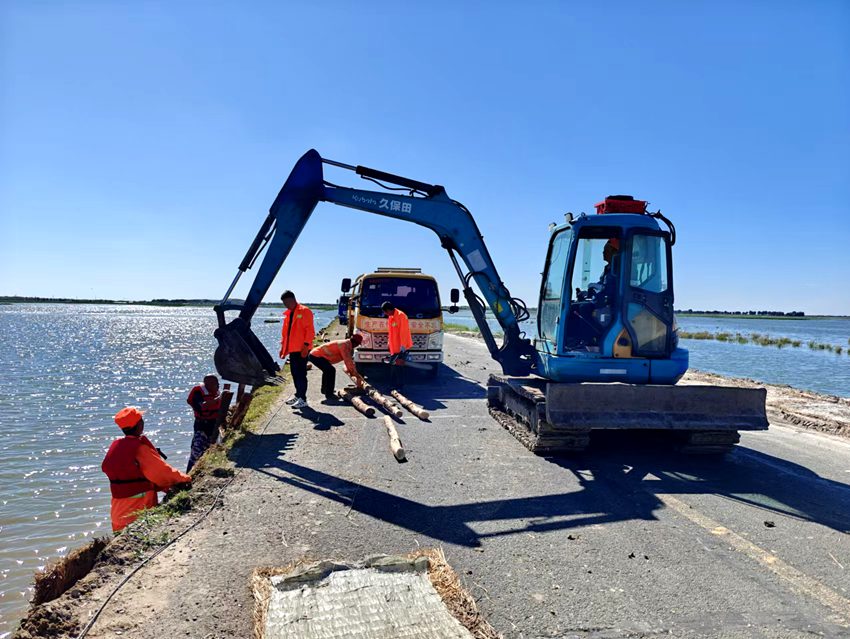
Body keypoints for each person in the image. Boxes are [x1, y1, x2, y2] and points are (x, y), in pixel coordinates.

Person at [101, 406, 191, 532]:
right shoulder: (140, 449)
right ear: (139, 425)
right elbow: (162, 473)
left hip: (117, 514)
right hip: (137, 512)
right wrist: (185, 478)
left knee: (122, 542)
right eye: (141, 420)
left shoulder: (116, 446)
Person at [279, 290, 315, 409]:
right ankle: (298, 395)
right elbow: (286, 334)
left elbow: (310, 330)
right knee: (295, 374)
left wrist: (306, 346)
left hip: (301, 349)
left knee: (300, 374)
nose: (286, 305)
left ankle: (303, 399)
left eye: (286, 303)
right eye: (284, 303)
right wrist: (283, 348)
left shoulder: (304, 311)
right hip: (293, 349)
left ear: (292, 299)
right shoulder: (289, 314)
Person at [308, 334, 365, 400]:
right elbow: (348, 362)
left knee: (327, 370)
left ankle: (325, 390)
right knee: (331, 370)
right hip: (316, 355)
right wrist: (357, 376)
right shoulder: (344, 345)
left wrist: (353, 372)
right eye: (357, 344)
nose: (357, 346)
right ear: (355, 343)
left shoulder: (347, 345)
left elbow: (350, 361)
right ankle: (329, 394)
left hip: (316, 355)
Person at [185, 375, 222, 472]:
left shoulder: (216, 393)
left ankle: (207, 470)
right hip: (201, 426)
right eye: (215, 384)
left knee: (211, 449)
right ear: (208, 384)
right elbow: (202, 406)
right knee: (196, 451)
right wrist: (218, 399)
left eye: (218, 383)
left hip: (214, 426)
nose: (218, 386)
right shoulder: (198, 392)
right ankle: (189, 475)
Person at [382, 301, 413, 386]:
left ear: (388, 310)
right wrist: (389, 343)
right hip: (394, 347)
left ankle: (399, 386)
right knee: (393, 367)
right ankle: (393, 385)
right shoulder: (391, 316)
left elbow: (404, 332)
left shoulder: (401, 316)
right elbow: (391, 331)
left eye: (385, 312)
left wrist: (402, 347)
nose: (385, 314)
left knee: (399, 368)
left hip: (400, 348)